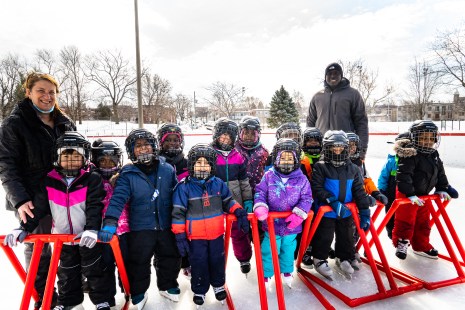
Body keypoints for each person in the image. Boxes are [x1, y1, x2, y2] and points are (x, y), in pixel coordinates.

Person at [4, 132, 113, 310]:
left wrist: (92, 229)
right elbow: (38, 209)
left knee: (95, 270)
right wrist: (23, 228)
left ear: (84, 158)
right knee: (67, 272)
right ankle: (71, 302)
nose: (71, 161)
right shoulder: (50, 181)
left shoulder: (91, 179)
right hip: (63, 238)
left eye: (76, 156)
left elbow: (95, 206)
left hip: (87, 237)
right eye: (66, 156)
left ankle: (102, 300)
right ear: (57, 157)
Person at [0, 71, 75, 307]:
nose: (47, 96)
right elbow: (6, 164)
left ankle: (73, 286)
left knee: (71, 242)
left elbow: (79, 157)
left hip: (64, 194)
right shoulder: (15, 124)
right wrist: (20, 199)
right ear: (28, 93)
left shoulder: (64, 122)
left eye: (51, 92)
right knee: (38, 247)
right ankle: (45, 296)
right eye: (41, 90)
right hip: (31, 197)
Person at [99, 129, 181, 309]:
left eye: (147, 145)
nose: (143, 149)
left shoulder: (167, 169)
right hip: (141, 226)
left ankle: (168, 284)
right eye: (138, 146)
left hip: (166, 224)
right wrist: (111, 220)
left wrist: (183, 216)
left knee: (170, 256)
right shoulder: (128, 174)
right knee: (139, 260)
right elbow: (118, 198)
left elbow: (177, 194)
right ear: (131, 151)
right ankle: (138, 291)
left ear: (154, 147)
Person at [171, 143, 249, 306]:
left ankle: (219, 285)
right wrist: (179, 235)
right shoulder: (183, 187)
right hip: (196, 237)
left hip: (216, 234)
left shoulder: (218, 184)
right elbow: (178, 213)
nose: (202, 166)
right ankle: (199, 289)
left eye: (206, 163)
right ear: (191, 165)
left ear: (212, 166)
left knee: (217, 260)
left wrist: (238, 210)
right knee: (198, 263)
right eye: (198, 162)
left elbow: (228, 201)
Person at [310, 130, 372, 279]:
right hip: (327, 212)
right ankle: (319, 259)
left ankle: (343, 257)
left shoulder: (354, 169)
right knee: (325, 236)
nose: (337, 151)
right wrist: (332, 201)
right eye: (333, 147)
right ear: (327, 148)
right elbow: (317, 188)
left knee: (347, 236)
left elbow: (359, 190)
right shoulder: (321, 166)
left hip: (346, 211)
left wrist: (364, 211)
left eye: (341, 147)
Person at [393, 120, 458, 260]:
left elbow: (440, 173)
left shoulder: (433, 154)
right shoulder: (409, 154)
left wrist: (442, 188)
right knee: (406, 221)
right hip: (407, 194)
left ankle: (421, 245)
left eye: (430, 138)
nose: (427, 141)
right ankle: (401, 243)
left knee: (423, 222)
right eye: (423, 138)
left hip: (423, 195)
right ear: (414, 138)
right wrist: (409, 194)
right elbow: (403, 175)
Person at [253, 138, 312, 288]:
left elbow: (307, 198)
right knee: (268, 249)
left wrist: (299, 214)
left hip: (291, 226)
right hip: (271, 224)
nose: (286, 161)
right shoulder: (269, 176)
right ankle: (266, 274)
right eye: (283, 157)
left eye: (290, 158)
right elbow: (260, 192)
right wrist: (261, 206)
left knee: (288, 249)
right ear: (277, 158)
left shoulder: (302, 179)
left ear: (296, 159)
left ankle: (286, 271)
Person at [210, 118, 254, 275]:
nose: (225, 140)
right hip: (213, 202)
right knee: (214, 235)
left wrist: (248, 200)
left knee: (239, 231)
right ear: (216, 135)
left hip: (235, 201)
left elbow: (244, 181)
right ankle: (216, 263)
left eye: (229, 137)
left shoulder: (238, 156)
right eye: (222, 136)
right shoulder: (210, 154)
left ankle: (244, 258)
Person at [90, 139, 129, 300]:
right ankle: (106, 297)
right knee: (104, 266)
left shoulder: (124, 178)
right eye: (102, 161)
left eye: (111, 161)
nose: (107, 164)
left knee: (126, 263)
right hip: (102, 232)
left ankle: (128, 289)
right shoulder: (92, 179)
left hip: (125, 231)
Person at [307, 62, 369, 160]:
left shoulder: (353, 94)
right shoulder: (317, 96)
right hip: (321, 150)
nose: (333, 76)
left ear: (341, 76)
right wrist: (309, 145)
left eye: (336, 73)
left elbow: (361, 122)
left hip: (344, 149)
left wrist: (362, 150)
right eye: (329, 73)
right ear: (325, 77)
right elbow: (310, 123)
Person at [346, 132, 385, 269]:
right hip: (349, 204)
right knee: (348, 229)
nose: (351, 149)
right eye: (348, 146)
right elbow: (347, 186)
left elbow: (366, 180)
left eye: (353, 146)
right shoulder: (341, 163)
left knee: (360, 228)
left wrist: (375, 192)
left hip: (361, 204)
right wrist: (362, 197)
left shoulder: (360, 163)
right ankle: (346, 254)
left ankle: (352, 250)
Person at [157, 123, 191, 278]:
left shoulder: (187, 163)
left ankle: (188, 265)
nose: (172, 143)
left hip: (184, 211)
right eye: (168, 140)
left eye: (175, 140)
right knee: (165, 246)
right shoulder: (156, 163)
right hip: (162, 211)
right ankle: (165, 276)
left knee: (185, 241)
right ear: (161, 143)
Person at [377, 132, 410, 239]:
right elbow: (383, 176)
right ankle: (391, 232)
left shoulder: (413, 161)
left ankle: (404, 235)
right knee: (391, 214)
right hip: (391, 193)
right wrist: (382, 190)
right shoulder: (392, 161)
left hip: (406, 194)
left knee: (405, 216)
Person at [299, 127, 323, 267]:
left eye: (316, 141)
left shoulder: (325, 157)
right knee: (306, 225)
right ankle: (305, 250)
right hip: (306, 199)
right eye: (310, 141)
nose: (313, 144)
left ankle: (319, 248)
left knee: (321, 225)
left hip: (321, 197)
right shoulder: (301, 159)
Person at [235, 116, 269, 194]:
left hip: (258, 193)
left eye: (253, 134)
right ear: (240, 133)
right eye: (246, 133)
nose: (249, 136)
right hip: (239, 193)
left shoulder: (263, 152)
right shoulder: (234, 151)